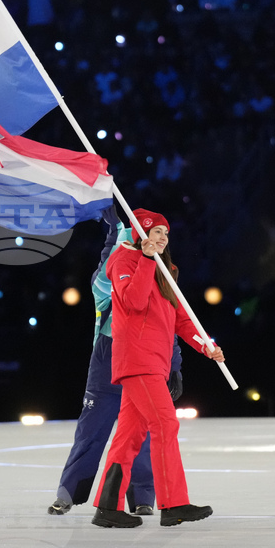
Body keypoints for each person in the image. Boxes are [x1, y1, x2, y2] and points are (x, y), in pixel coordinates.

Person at [92, 208, 226, 528]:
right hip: (138, 361)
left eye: (166, 233)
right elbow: (134, 301)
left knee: (128, 437)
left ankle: (107, 508)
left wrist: (206, 346)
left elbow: (181, 319)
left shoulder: (166, 271)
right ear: (141, 236)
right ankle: (174, 504)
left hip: (155, 364)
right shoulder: (123, 261)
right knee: (166, 426)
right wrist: (146, 260)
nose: (163, 238)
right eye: (156, 232)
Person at [49, 206, 183, 516]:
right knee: (92, 429)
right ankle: (69, 492)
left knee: (143, 431)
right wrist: (116, 232)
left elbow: (169, 327)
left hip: (145, 361)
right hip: (109, 360)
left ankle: (142, 497)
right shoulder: (107, 284)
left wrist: (175, 365)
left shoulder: (159, 279)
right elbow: (115, 258)